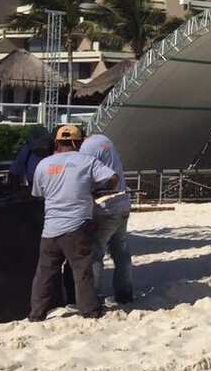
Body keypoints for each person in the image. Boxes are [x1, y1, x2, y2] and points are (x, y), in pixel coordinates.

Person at [29, 125, 117, 321]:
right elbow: (113, 177)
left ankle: (37, 313)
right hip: (77, 227)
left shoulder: (43, 164)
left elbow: (37, 193)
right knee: (82, 270)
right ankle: (89, 310)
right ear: (78, 142)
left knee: (44, 273)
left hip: (50, 229)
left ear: (57, 142)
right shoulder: (87, 161)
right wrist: (95, 189)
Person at [81, 133, 133, 304]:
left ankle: (93, 296)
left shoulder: (87, 147)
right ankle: (125, 293)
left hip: (106, 208)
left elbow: (83, 173)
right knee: (121, 252)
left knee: (95, 253)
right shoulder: (105, 141)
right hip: (123, 203)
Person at [9, 126, 53, 191]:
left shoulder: (55, 153)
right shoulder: (26, 151)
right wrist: (17, 192)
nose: (40, 150)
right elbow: (14, 173)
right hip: (32, 190)